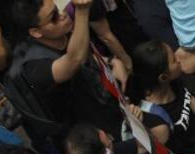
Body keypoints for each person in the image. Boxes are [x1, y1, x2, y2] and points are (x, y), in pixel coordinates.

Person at [8, 0, 125, 141]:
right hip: (89, 137)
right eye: (54, 17)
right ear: (36, 32)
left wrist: (112, 62)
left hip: (109, 108)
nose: (63, 15)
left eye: (58, 9)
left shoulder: (63, 34)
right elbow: (74, 60)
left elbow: (87, 56)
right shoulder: (34, 66)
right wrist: (82, 11)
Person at [126, 40, 195, 154]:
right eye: (173, 60)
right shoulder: (154, 119)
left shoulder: (175, 82)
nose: (178, 59)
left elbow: (193, 102)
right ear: (163, 77)